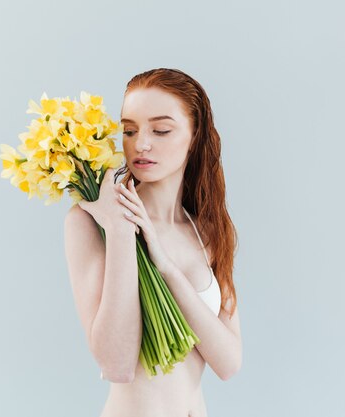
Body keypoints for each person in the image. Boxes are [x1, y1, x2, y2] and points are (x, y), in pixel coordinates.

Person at [64, 68, 242, 417]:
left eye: (160, 130)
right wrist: (118, 231)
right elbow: (117, 363)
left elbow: (228, 362)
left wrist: (166, 267)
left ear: (195, 136)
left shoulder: (208, 229)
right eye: (129, 130)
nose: (140, 144)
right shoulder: (90, 222)